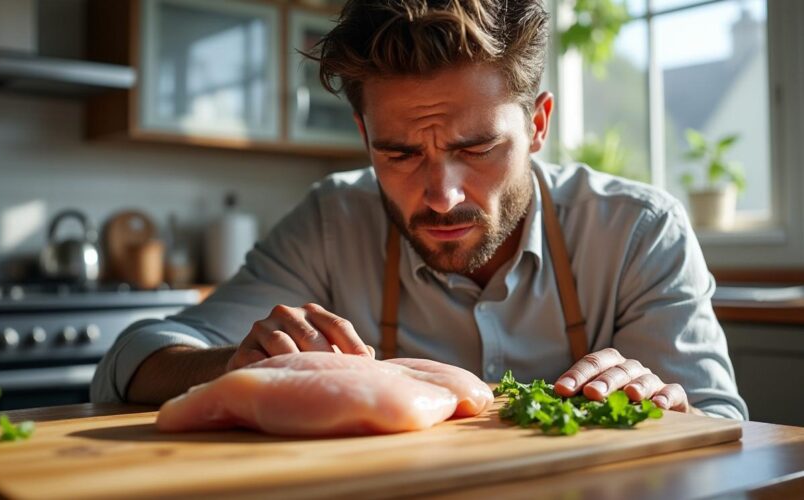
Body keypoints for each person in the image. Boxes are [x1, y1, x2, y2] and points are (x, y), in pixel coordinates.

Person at [91, 0, 747, 420]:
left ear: (539, 123)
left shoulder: (637, 232)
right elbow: (131, 359)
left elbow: (724, 435)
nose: (443, 195)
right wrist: (234, 363)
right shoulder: (333, 221)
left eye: (478, 147)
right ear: (364, 136)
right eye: (400, 154)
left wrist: (666, 405)